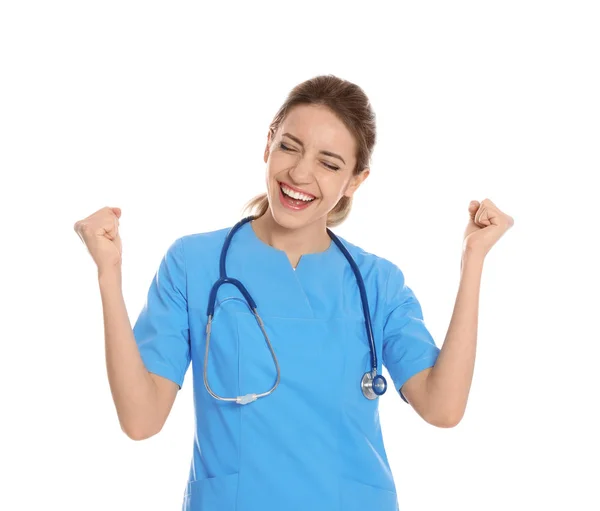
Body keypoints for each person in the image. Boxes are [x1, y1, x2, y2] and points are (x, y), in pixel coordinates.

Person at [73, 74, 514, 511]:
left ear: (355, 181)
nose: (300, 173)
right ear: (268, 143)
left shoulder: (377, 282)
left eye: (329, 162)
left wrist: (472, 261)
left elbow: (443, 407)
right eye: (289, 146)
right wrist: (109, 275)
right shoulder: (194, 263)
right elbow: (141, 419)